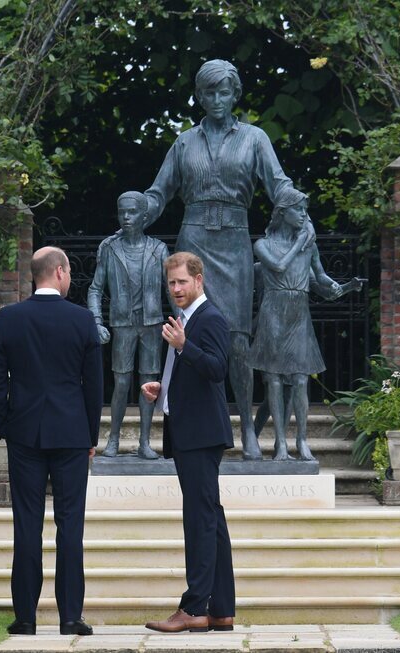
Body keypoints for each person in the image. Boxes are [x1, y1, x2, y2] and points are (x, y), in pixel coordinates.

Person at [143, 58, 307, 460]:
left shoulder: (254, 138)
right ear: (199, 96)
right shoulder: (184, 142)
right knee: (188, 334)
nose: (217, 99)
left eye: (224, 91)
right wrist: (135, 214)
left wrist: (299, 210)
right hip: (194, 237)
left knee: (236, 339)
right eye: (209, 92)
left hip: (234, 241)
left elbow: (278, 183)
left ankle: (249, 429)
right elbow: (159, 192)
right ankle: (184, 421)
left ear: (236, 94)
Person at [0, 246, 103, 637]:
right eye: (68, 271)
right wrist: (90, 435)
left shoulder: (9, 318)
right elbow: (94, 387)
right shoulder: (82, 320)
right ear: (59, 271)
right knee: (71, 526)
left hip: (26, 435)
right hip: (71, 435)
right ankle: (70, 616)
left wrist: (8, 426)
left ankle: (25, 617)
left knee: (26, 524)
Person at [141, 252, 235, 633]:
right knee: (211, 519)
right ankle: (222, 610)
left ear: (199, 280)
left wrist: (183, 345)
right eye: (171, 284)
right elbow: (194, 376)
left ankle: (194, 608)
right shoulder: (185, 320)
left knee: (199, 520)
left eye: (181, 282)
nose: (176, 289)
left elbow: (217, 369)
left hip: (200, 436)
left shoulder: (209, 318)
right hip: (191, 431)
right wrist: (163, 391)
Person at [250, 190, 363, 461]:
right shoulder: (263, 245)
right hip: (273, 311)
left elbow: (320, 277)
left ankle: (301, 440)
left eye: (304, 210)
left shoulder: (309, 246)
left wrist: (343, 286)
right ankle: (279, 444)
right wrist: (299, 242)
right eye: (298, 210)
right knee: (274, 381)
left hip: (298, 312)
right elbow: (277, 267)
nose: (303, 214)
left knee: (301, 379)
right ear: (282, 213)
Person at [88, 191, 169, 459]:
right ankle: (113, 440)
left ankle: (145, 442)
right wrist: (96, 321)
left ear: (145, 217)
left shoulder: (158, 249)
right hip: (122, 325)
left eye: (132, 212)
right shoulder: (109, 249)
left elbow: (171, 290)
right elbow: (95, 290)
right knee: (121, 384)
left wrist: (186, 319)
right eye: (122, 212)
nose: (125, 217)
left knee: (149, 384)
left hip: (151, 324)